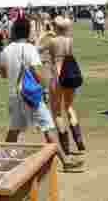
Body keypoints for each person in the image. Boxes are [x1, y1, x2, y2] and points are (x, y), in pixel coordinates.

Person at [0, 17, 84, 173]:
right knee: (48, 128)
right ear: (27, 32)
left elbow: (3, 74)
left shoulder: (6, 50)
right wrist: (44, 89)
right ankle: (66, 161)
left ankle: (3, 162)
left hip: (14, 95)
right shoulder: (30, 49)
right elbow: (37, 73)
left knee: (14, 130)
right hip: (31, 96)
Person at [41, 16, 85, 156]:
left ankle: (65, 148)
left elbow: (38, 49)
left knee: (57, 112)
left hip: (57, 75)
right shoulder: (69, 40)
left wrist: (44, 34)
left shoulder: (52, 41)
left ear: (55, 27)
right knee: (69, 107)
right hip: (70, 73)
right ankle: (78, 140)